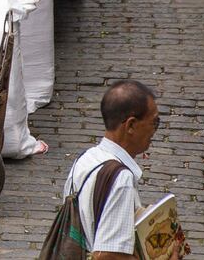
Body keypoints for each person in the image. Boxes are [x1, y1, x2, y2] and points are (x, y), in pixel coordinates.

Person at [63, 80, 178, 260]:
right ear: (131, 125)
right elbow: (107, 255)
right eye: (154, 122)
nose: (155, 130)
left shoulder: (84, 159)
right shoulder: (121, 179)